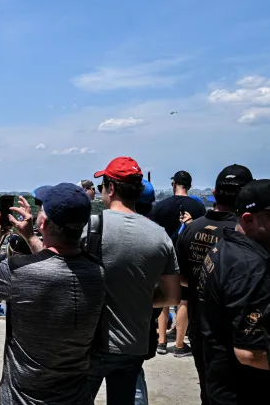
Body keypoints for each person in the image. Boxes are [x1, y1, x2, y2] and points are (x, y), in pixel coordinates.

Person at [0, 183, 105, 404]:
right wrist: (31, 238)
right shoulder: (97, 272)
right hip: (76, 397)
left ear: (43, 223)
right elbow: (58, 263)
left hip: (23, 398)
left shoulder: (18, 270)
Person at [86, 157, 180, 405]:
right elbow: (172, 296)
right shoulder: (159, 236)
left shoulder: (91, 228)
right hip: (133, 343)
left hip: (91, 341)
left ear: (112, 188)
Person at [175, 165, 253, 405]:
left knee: (208, 389)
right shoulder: (247, 233)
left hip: (202, 324)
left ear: (216, 193)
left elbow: (182, 278)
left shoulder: (191, 229)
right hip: (243, 327)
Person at [199, 179, 270, 405]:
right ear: (249, 219)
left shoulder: (223, 246)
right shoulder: (252, 268)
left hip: (218, 377)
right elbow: (250, 352)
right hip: (244, 389)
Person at [150, 170, 207, 358]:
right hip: (186, 257)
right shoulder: (198, 207)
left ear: (173, 184)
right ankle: (180, 345)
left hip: (163, 255)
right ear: (189, 186)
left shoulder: (161, 206)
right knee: (183, 300)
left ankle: (161, 342)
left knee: (163, 298)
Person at [133, 179, 159, 405]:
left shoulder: (99, 228)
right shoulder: (159, 236)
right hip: (141, 325)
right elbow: (170, 295)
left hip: (100, 327)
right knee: (134, 378)